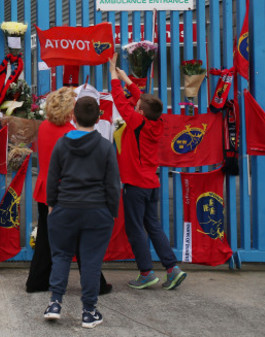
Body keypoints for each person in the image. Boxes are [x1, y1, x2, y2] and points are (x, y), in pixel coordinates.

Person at [108, 53, 187, 290]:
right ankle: (172, 269)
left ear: (140, 112)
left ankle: (146, 272)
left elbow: (119, 101)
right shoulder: (157, 121)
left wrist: (113, 75)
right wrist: (126, 78)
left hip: (135, 185)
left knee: (135, 230)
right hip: (151, 184)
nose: (136, 104)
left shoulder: (136, 122)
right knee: (153, 226)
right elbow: (139, 98)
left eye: (138, 106)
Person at [43, 96, 121, 329]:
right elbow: (113, 185)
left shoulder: (61, 144)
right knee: (91, 262)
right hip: (97, 211)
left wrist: (51, 205)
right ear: (98, 119)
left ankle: (55, 303)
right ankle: (89, 311)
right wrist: (111, 212)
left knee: (62, 256)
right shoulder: (106, 147)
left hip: (65, 208)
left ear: (73, 117)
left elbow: (52, 178)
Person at [26, 87, 112, 295]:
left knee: (46, 239)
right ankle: (95, 284)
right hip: (66, 193)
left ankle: (36, 281)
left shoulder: (44, 127)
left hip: (45, 190)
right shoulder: (69, 134)